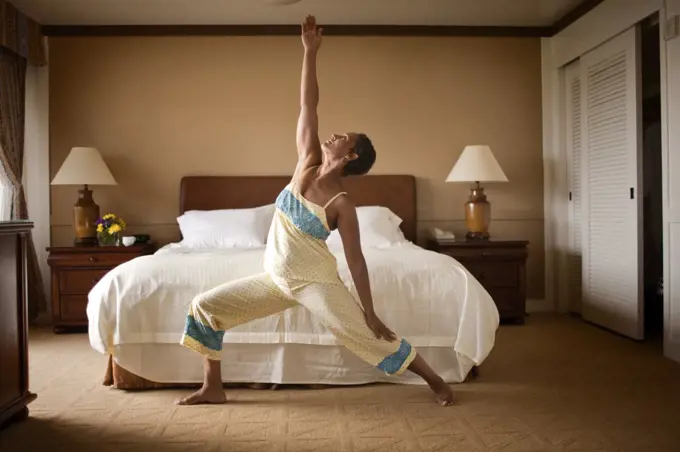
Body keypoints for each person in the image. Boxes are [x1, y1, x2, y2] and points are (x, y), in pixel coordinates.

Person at [176, 15, 455, 407]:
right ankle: (213, 387)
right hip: (276, 279)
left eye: (345, 138)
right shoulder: (305, 162)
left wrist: (370, 312)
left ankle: (436, 381)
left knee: (368, 335)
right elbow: (308, 104)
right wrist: (310, 52)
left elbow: (356, 261)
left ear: (350, 156)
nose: (336, 134)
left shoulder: (342, 205)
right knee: (204, 307)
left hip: (316, 283)